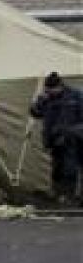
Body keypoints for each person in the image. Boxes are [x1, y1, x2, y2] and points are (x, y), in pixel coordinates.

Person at [29, 72, 83, 208]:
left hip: (73, 141)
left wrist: (72, 132)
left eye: (52, 90)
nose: (50, 92)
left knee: (70, 169)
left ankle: (70, 197)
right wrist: (41, 100)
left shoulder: (75, 96)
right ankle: (59, 195)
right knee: (57, 169)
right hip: (54, 141)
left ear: (59, 86)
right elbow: (35, 113)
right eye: (47, 90)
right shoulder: (47, 98)